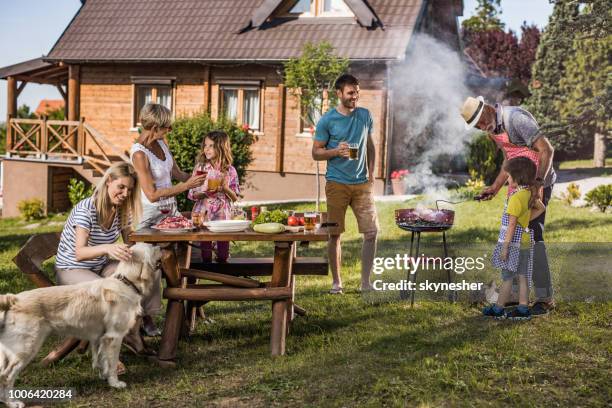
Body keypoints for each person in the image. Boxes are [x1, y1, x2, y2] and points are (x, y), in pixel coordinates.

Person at [461, 96, 556, 316]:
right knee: (515, 239)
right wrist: (494, 188)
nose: (483, 128)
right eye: (477, 127)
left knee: (533, 237)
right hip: (520, 183)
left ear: (487, 109)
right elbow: (509, 161)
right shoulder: (494, 129)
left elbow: (547, 150)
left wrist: (537, 184)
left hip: (538, 182)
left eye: (482, 121)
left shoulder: (516, 119)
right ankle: (514, 294)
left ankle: (545, 298)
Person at [54, 162, 154, 370]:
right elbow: (79, 252)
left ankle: (134, 331)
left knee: (141, 273)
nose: (125, 193)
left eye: (129, 189)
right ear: (108, 181)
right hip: (71, 268)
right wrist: (108, 248)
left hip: (99, 266)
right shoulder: (87, 209)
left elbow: (130, 242)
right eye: (121, 187)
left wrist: (141, 253)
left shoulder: (121, 210)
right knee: (107, 295)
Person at [131, 103, 206, 334]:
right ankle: (147, 318)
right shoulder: (139, 154)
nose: (170, 130)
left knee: (192, 254)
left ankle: (190, 306)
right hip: (149, 218)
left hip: (170, 213)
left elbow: (176, 173)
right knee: (150, 266)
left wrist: (200, 177)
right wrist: (185, 187)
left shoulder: (162, 143)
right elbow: (152, 195)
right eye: (167, 127)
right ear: (153, 127)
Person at [312, 74, 378, 294]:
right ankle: (337, 282)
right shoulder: (327, 120)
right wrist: (335, 151)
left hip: (362, 184)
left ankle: (365, 283)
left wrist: (372, 173)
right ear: (339, 94)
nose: (355, 96)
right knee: (335, 234)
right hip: (337, 183)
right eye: (350, 92)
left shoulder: (365, 115)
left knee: (371, 232)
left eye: (357, 92)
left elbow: (369, 145)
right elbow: (316, 153)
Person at [483, 157, 545, 320]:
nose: (507, 179)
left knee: (507, 277)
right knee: (523, 276)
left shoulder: (515, 198)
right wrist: (525, 220)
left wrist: (505, 247)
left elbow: (511, 226)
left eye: (509, 176)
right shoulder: (529, 193)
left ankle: (498, 309)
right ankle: (523, 309)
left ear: (518, 177)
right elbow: (541, 208)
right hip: (524, 241)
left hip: (512, 243)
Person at [188, 130, 240, 262]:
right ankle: (205, 275)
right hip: (204, 214)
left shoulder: (230, 170)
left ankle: (223, 278)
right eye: (205, 145)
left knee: (223, 255)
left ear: (221, 147)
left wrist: (225, 188)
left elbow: (235, 197)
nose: (206, 149)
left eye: (211, 146)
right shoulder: (200, 168)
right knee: (205, 254)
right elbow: (192, 194)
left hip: (223, 216)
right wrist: (205, 193)